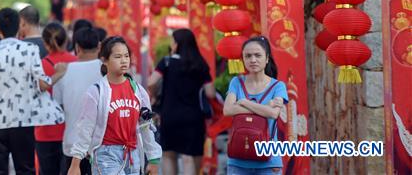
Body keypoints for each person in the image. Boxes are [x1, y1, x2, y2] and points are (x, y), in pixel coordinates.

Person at [0, 8, 64, 175]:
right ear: (19, 26)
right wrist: (59, 74)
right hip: (23, 121)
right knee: (26, 170)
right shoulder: (30, 50)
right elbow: (43, 84)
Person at [66, 36, 161, 175]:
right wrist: (75, 164)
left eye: (126, 56)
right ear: (104, 60)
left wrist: (153, 159)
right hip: (106, 155)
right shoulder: (96, 92)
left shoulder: (139, 91)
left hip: (133, 155)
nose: (124, 60)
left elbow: (146, 126)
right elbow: (85, 129)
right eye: (118, 56)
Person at [146, 29, 215, 175]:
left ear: (176, 44)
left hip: (169, 115)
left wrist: (154, 96)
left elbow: (151, 82)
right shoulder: (200, 64)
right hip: (194, 117)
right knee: (188, 156)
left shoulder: (166, 63)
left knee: (168, 155)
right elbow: (211, 92)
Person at [223, 36, 288, 175]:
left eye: (258, 55)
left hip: (269, 161)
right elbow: (228, 110)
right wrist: (266, 106)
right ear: (243, 59)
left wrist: (245, 102)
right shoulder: (237, 82)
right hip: (237, 159)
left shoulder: (278, 86)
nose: (253, 60)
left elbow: (273, 114)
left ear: (267, 58)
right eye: (248, 56)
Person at [53, 27, 103, 175]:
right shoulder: (107, 71)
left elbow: (58, 105)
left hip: (72, 144)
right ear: (99, 46)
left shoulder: (64, 72)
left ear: (77, 48)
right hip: (102, 146)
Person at [36, 23, 78, 175]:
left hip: (45, 130)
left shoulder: (40, 65)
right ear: (67, 39)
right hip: (73, 129)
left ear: (46, 44)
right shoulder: (78, 63)